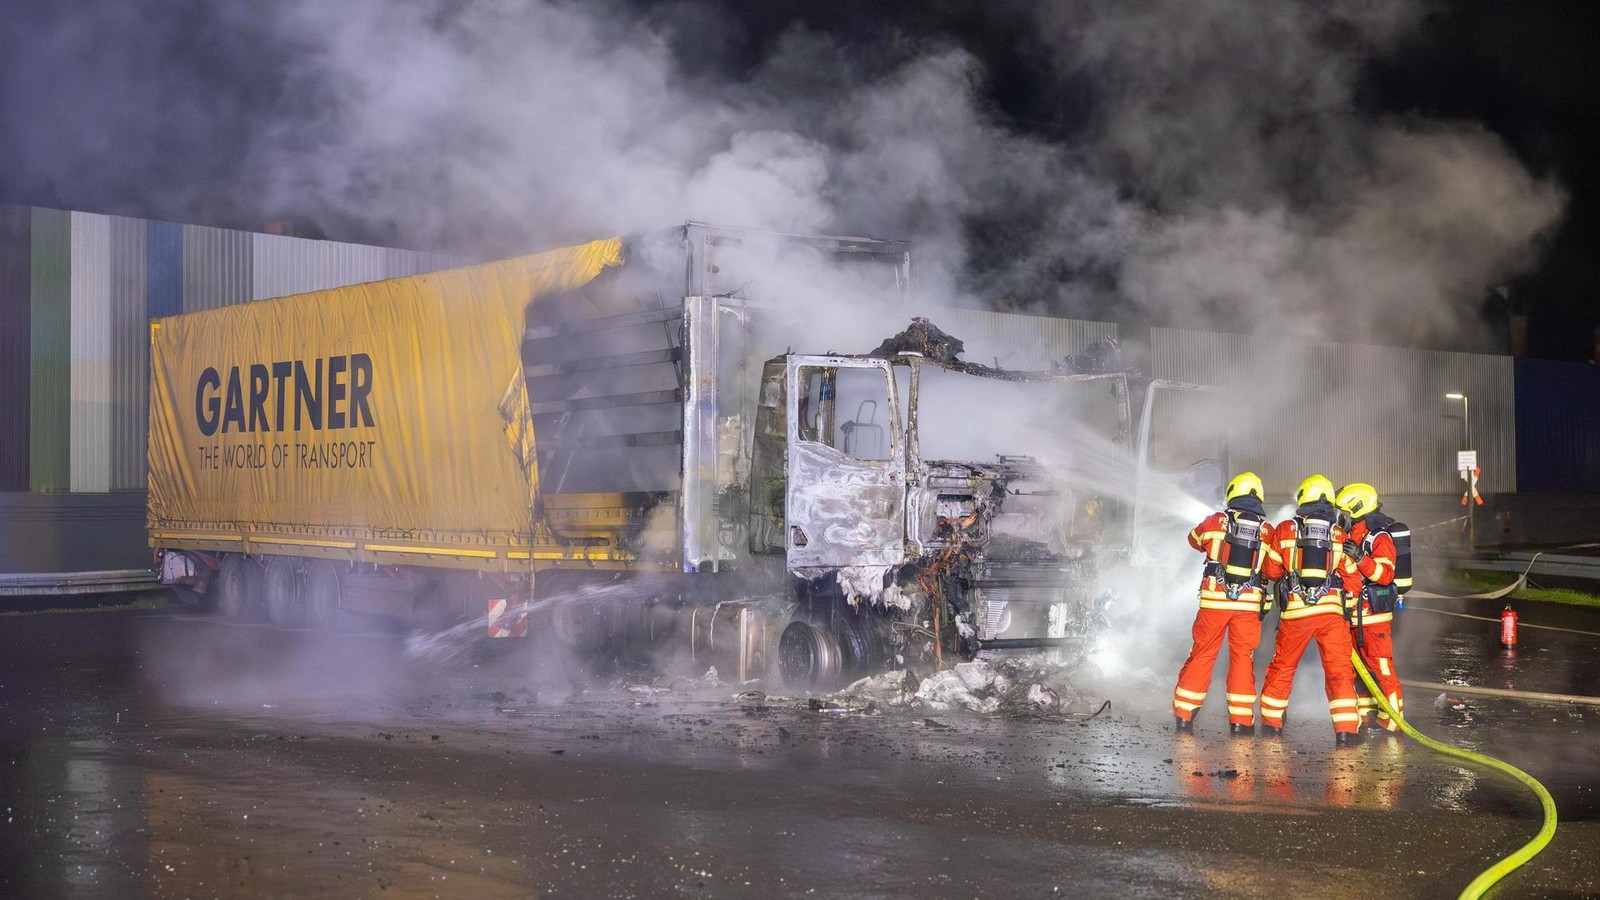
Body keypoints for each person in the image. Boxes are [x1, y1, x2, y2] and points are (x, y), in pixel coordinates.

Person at [1258, 474, 1365, 746]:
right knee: (1339, 671)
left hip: (1296, 613)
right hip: (1331, 615)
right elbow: (1353, 580)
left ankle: (1272, 723)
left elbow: (1271, 571)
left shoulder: (1285, 529)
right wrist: (1347, 609)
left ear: (1304, 497)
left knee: (1283, 667)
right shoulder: (1338, 534)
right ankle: (1346, 730)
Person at [1172, 472, 1274, 735]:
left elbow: (1193, 540)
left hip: (1214, 602)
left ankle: (1184, 715)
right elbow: (1273, 569)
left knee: (1203, 654)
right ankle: (1241, 721)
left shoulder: (1215, 520)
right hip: (1248, 606)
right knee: (1242, 659)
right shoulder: (1267, 530)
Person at [1336, 481, 1407, 732]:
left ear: (1358, 509)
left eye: (1344, 513)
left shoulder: (1379, 537)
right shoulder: (1352, 535)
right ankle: (1367, 715)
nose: (1341, 518)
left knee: (1381, 669)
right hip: (1353, 617)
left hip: (1374, 619)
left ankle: (1393, 721)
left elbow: (1385, 575)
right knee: (1358, 670)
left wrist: (1360, 558)